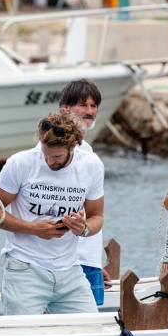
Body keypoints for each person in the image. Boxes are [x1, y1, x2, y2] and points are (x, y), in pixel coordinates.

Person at [0, 113, 104, 315]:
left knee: (90, 333)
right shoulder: (20, 163)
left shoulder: (91, 164)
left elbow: (97, 217)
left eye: (56, 157)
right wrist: (34, 229)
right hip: (25, 268)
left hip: (70, 270)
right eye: (45, 154)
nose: (49, 161)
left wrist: (84, 228)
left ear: (73, 146)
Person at [58, 79, 109, 305]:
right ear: (65, 109)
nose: (89, 111)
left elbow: (94, 213)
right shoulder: (51, 153)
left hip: (87, 259)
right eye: (82, 105)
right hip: (64, 262)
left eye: (93, 106)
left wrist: (95, 262)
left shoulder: (89, 155)